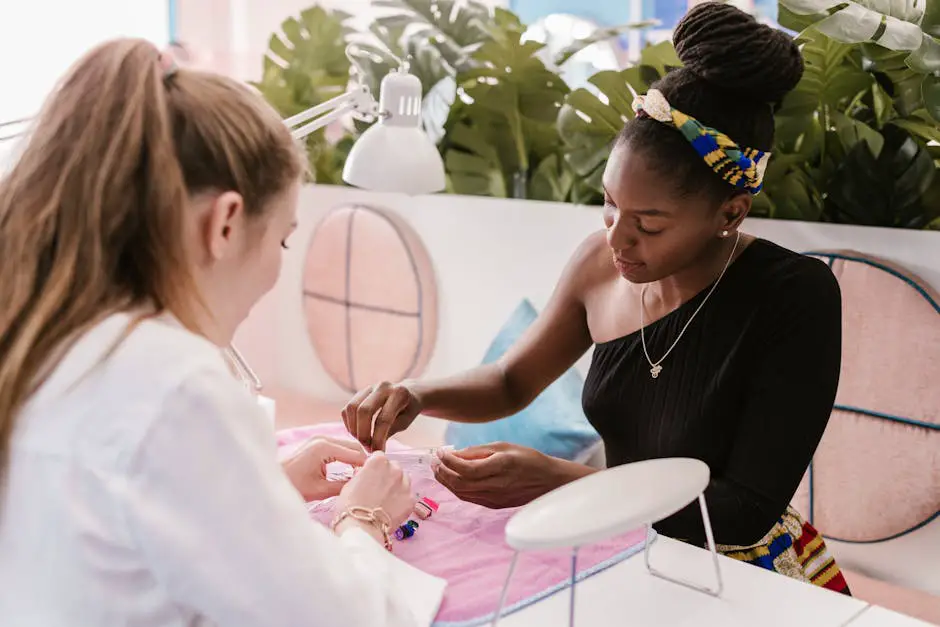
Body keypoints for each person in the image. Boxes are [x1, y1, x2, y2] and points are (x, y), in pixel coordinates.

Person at [343, 3, 852, 595]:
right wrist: (416, 395)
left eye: (649, 224)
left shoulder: (793, 297)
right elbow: (511, 382)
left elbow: (742, 511)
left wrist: (559, 482)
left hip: (741, 572)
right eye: (609, 203)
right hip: (622, 541)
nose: (616, 237)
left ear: (730, 213)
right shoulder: (598, 262)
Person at [0, 39, 444, 625]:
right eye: (283, 240)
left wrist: (264, 493)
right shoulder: (173, 385)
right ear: (226, 222)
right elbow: (336, 617)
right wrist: (365, 518)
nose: (277, 270)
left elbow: (117, 527)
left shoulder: (42, 341)